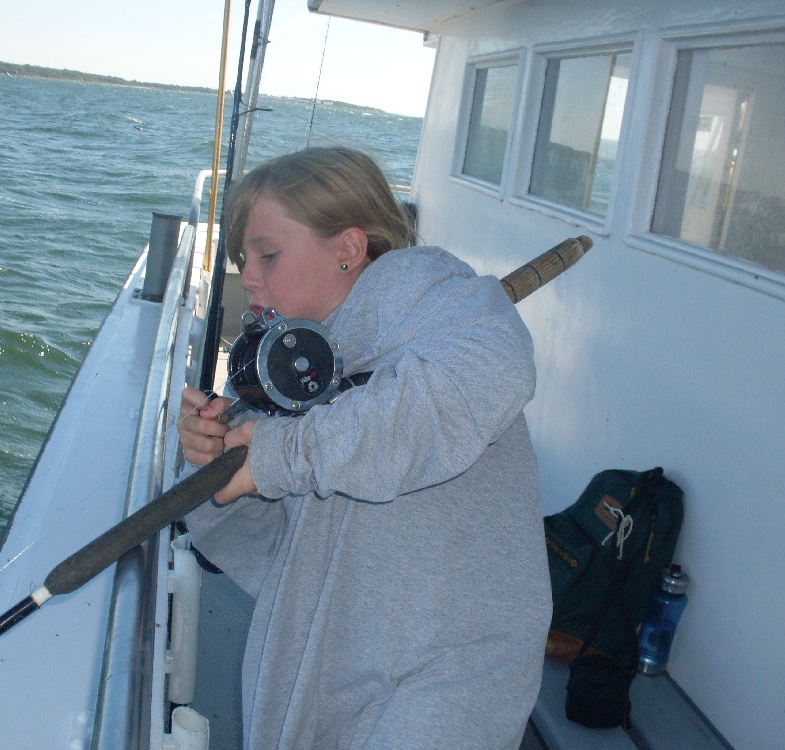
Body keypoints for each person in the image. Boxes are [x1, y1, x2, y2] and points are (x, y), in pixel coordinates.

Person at [178, 146, 551, 749]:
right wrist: (219, 460)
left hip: (450, 675)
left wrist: (279, 457)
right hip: (332, 657)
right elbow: (271, 546)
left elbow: (484, 377)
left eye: (268, 255)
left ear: (348, 249)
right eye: (243, 258)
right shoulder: (292, 364)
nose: (247, 277)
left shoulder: (446, 305)